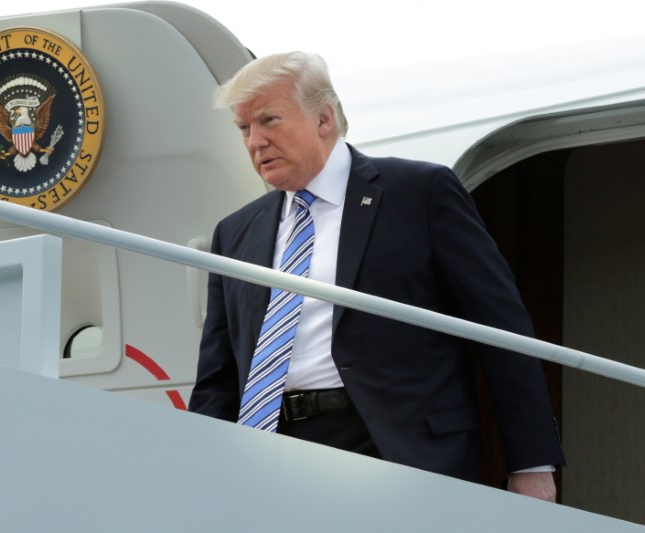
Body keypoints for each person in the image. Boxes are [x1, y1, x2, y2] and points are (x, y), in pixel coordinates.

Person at [188, 51, 565, 501]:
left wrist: (531, 461)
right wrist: (202, 469)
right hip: (270, 453)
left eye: (269, 120)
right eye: (244, 128)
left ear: (324, 119)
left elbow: (500, 327)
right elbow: (219, 375)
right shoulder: (235, 233)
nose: (255, 142)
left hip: (392, 449)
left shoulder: (420, 194)